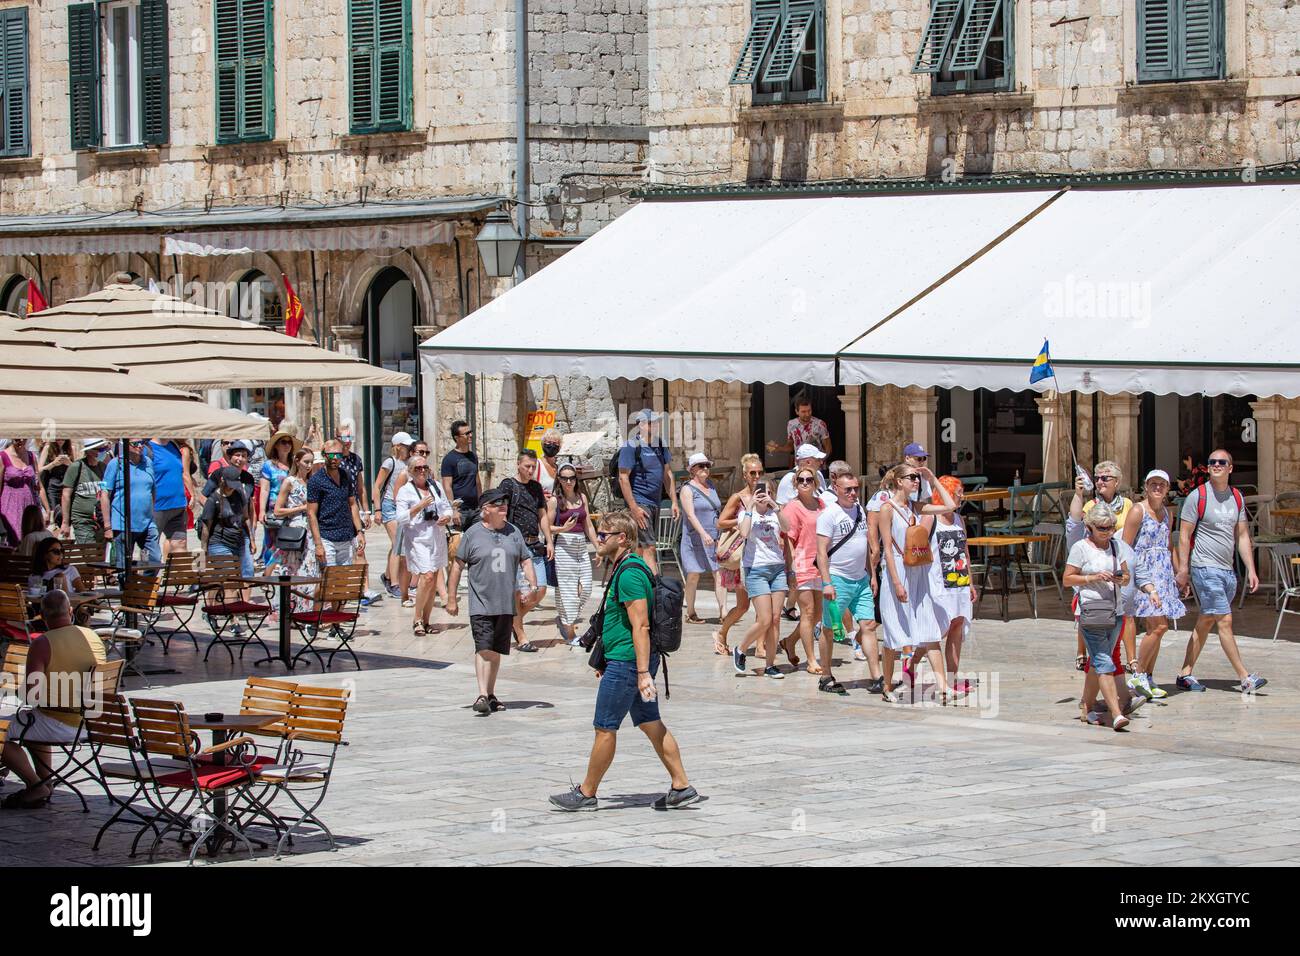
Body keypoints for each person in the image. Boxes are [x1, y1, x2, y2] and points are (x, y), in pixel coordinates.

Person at [548, 510, 699, 812]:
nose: (598, 539)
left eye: (603, 535)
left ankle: (587, 792)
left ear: (622, 538)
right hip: (627, 661)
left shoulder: (629, 573)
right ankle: (681, 785)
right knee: (650, 723)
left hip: (628, 664)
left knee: (605, 727)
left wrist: (642, 673)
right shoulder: (625, 568)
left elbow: (640, 625)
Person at [0, 590, 106, 808]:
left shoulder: (43, 643)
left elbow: (32, 694)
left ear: (42, 615)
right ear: (69, 611)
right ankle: (45, 783)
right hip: (92, 722)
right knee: (31, 719)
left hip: (61, 722)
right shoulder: (93, 636)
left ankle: (35, 784)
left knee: (4, 728)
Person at [1175, 450, 1267, 694]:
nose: (1216, 465)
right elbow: (1184, 535)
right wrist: (1184, 569)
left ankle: (1185, 673)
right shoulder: (1198, 496)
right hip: (1205, 568)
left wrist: (1252, 570)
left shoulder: (1236, 497)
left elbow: (1243, 535)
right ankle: (1245, 677)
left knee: (1206, 621)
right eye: (1212, 462)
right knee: (1225, 621)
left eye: (1221, 462)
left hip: (1226, 571)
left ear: (1230, 468)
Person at [446, 487, 540, 714]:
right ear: (485, 510)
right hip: (481, 602)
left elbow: (526, 561)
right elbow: (458, 565)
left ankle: (490, 693)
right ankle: (480, 694)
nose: (503, 507)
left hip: (505, 603)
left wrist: (533, 586)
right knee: (484, 649)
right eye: (497, 504)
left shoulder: (514, 532)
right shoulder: (472, 534)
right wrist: (451, 597)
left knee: (496, 651)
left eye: (505, 503)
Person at [877, 462, 958, 704]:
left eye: (917, 478)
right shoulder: (887, 509)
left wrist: (933, 478)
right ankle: (888, 684)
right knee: (894, 633)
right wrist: (896, 582)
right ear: (899, 481)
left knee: (929, 629)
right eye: (912, 477)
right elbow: (888, 549)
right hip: (898, 572)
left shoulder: (918, 507)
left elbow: (951, 505)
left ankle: (944, 687)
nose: (916, 481)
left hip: (918, 571)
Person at [1063, 504, 1134, 731]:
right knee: (1105, 662)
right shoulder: (1080, 548)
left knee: (1097, 662)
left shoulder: (1116, 546)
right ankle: (1116, 714)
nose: (1107, 532)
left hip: (1115, 613)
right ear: (1090, 526)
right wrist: (1092, 577)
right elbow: (1067, 579)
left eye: (1111, 527)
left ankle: (1086, 706)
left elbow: (1126, 576)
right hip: (1091, 612)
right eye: (1102, 528)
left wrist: (1119, 579)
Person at [1122, 469, 1185, 700]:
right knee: (1160, 627)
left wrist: (1179, 572)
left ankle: (1148, 677)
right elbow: (1125, 546)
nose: (1157, 488)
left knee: (1155, 629)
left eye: (1162, 484)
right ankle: (1138, 674)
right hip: (1144, 575)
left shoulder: (1167, 513)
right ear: (1146, 486)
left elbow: (1168, 545)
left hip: (1163, 574)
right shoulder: (1138, 511)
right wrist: (1127, 577)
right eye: (1153, 484)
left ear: (1167, 489)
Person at [1069, 460, 1137, 673]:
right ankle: (1086, 654)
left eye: (1105, 478)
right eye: (1097, 478)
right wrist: (1078, 493)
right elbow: (1073, 524)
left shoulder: (1128, 505)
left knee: (1125, 614)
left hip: (1121, 563)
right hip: (1097, 567)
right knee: (1089, 611)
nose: (1099, 482)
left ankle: (1131, 659)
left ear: (1117, 481)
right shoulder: (1091, 506)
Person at [816, 471, 880, 695]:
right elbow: (821, 552)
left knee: (869, 626)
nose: (853, 493)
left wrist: (871, 575)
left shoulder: (860, 511)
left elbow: (865, 549)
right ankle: (825, 675)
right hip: (837, 579)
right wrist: (826, 582)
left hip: (860, 579)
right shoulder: (829, 514)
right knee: (830, 629)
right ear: (836, 489)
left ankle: (876, 676)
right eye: (848, 489)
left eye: (855, 489)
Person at [731, 476, 788, 679]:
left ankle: (771, 665)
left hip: (777, 568)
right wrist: (749, 507)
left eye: (769, 493)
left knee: (774, 620)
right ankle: (741, 648)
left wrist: (776, 507)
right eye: (761, 493)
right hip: (756, 569)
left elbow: (788, 529)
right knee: (764, 619)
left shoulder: (776, 512)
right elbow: (744, 533)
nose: (765, 496)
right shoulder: (747, 513)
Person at [928, 476, 977, 694]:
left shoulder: (958, 519)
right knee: (937, 630)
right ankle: (911, 664)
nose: (961, 496)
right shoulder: (931, 519)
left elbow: (964, 550)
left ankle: (952, 677)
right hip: (938, 580)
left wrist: (971, 582)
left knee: (956, 626)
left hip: (959, 580)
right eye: (958, 492)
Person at [498, 450, 551, 652]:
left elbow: (542, 514)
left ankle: (513, 620)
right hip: (514, 546)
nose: (530, 470)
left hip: (534, 544)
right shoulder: (508, 485)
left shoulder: (537, 488)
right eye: (527, 466)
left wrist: (549, 540)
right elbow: (501, 511)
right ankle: (521, 637)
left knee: (540, 589)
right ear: (518, 464)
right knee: (518, 592)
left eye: (533, 466)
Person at [713, 453, 765, 656]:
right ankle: (722, 632)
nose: (756, 476)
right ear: (745, 474)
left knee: (764, 606)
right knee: (743, 606)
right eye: (753, 472)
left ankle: (760, 645)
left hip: (762, 554)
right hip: (744, 556)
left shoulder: (766, 494)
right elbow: (720, 522)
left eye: (760, 472)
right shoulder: (738, 498)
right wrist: (743, 519)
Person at [397, 455, 453, 635]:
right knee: (427, 577)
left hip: (436, 536)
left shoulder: (435, 487)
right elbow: (400, 518)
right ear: (411, 471)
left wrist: (447, 517)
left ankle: (427, 621)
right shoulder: (405, 491)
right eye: (418, 468)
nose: (422, 471)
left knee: (433, 577)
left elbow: (446, 507)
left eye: (425, 467)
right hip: (417, 539)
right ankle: (417, 618)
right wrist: (418, 506)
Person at [616, 409, 677, 574]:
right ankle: (655, 586)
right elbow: (623, 478)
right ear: (641, 425)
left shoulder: (660, 444)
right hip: (640, 503)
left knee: (641, 548)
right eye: (652, 423)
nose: (656, 426)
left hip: (655, 502)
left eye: (657, 422)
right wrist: (634, 508)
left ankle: (638, 582)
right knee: (649, 547)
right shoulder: (630, 446)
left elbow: (667, 474)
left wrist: (674, 501)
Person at [779, 465, 825, 676]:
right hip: (803, 564)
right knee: (807, 613)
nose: (804, 483)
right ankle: (811, 659)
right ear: (795, 484)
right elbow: (788, 540)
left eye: (808, 479)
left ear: (815, 483)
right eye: (800, 480)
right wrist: (792, 569)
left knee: (818, 615)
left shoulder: (822, 504)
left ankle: (790, 641)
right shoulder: (792, 507)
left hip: (821, 565)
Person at [548, 463, 599, 645]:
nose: (568, 481)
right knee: (568, 590)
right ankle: (569, 634)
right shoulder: (555, 500)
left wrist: (597, 546)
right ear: (559, 480)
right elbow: (546, 526)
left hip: (580, 545)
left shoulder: (582, 497)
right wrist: (563, 528)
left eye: (571, 478)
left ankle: (563, 620)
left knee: (586, 587)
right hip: (564, 545)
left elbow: (588, 525)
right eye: (564, 478)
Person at [679, 452, 727, 626]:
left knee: (719, 573)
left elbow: (717, 510)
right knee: (693, 575)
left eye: (707, 465)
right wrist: (703, 533)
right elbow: (690, 515)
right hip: (694, 538)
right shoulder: (687, 489)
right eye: (701, 466)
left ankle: (723, 612)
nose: (706, 469)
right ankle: (690, 612)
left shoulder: (711, 486)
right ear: (692, 470)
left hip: (714, 537)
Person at [100, 439, 160, 569]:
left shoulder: (148, 463)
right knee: (123, 566)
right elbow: (104, 494)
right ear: (126, 445)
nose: (140, 446)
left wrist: (151, 511)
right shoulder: (115, 464)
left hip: (147, 523)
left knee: (154, 560)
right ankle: (127, 587)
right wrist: (107, 526)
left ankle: (145, 587)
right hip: (122, 523)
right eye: (135, 443)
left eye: (142, 443)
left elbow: (152, 490)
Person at [307, 440, 366, 570]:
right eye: (331, 455)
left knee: (343, 579)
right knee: (330, 579)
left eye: (338, 455)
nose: (335, 459)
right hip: (326, 536)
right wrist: (318, 544)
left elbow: (353, 504)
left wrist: (359, 532)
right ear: (324, 455)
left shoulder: (346, 475)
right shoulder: (316, 480)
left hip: (346, 535)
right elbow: (311, 513)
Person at [273, 447, 319, 611]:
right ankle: (292, 609)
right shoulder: (289, 481)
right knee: (294, 569)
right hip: (295, 530)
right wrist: (301, 508)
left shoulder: (313, 482)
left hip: (312, 531)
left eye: (311, 462)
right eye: (306, 462)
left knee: (310, 570)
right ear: (297, 461)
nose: (309, 466)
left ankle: (306, 609)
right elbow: (277, 511)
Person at [374, 432, 415, 603]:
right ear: (397, 446)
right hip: (390, 505)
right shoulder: (389, 462)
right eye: (405, 445)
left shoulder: (409, 463)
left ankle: (387, 576)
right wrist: (377, 509)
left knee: (398, 544)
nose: (408, 448)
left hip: (404, 506)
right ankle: (394, 583)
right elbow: (377, 486)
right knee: (397, 544)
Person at [199, 466, 256, 579]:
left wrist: (252, 540)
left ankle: (242, 597)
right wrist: (203, 550)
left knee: (247, 572)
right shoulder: (213, 500)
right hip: (219, 542)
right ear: (222, 480)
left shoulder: (239, 495)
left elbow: (245, 518)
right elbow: (206, 528)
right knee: (228, 577)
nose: (232, 488)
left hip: (238, 540)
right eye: (230, 485)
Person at [149, 438, 200, 559]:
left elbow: (184, 473)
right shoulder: (148, 449)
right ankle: (147, 576)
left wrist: (192, 495)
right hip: (157, 506)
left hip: (178, 505)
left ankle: (176, 576)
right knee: (151, 546)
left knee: (180, 543)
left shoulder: (174, 446)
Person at [258, 429, 299, 569]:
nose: (287, 445)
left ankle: (286, 568)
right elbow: (264, 489)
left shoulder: (295, 464)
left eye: (289, 443)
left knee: (291, 541)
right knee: (272, 543)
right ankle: (268, 573)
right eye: (284, 442)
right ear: (276, 445)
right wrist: (261, 510)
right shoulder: (269, 465)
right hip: (274, 509)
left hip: (293, 508)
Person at [60, 439, 108, 545]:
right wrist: (65, 522)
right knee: (89, 553)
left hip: (100, 520)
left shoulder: (103, 468)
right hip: (82, 520)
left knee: (100, 557)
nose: (102, 452)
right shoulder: (77, 467)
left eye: (103, 449)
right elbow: (65, 495)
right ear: (90, 451)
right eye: (99, 449)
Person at [441, 419, 482, 533]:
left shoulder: (473, 456)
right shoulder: (449, 459)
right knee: (457, 546)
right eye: (466, 434)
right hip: (460, 511)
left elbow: (477, 481)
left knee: (477, 542)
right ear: (457, 438)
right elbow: (447, 486)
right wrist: (453, 510)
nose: (470, 435)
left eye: (471, 432)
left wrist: (482, 503)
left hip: (475, 509)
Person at [0, 438, 41, 548]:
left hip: (29, 505)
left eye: (24, 438)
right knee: (14, 539)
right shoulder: (2, 456)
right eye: (18, 437)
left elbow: (39, 487)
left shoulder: (31, 456)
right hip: (9, 505)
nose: (21, 440)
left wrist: (45, 510)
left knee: (31, 540)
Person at [767, 396, 832, 458]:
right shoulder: (791, 424)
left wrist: (822, 460)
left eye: (809, 410)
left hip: (816, 465)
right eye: (803, 412)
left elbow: (828, 447)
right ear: (797, 411)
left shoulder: (819, 424)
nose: (807, 414)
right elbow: (790, 446)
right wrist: (779, 449)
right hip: (800, 465)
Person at [37, 440, 73, 530]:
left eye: (63, 438)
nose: (61, 440)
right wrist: (53, 464)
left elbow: (76, 468)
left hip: (66, 484)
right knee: (53, 513)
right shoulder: (48, 448)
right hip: (52, 484)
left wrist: (69, 463)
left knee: (66, 511)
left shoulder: (70, 448)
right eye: (58, 437)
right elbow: (39, 469)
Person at [537, 427, 563, 495]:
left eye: (555, 443)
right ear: (543, 444)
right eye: (549, 442)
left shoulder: (558, 468)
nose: (552, 445)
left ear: (559, 447)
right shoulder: (537, 465)